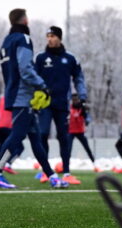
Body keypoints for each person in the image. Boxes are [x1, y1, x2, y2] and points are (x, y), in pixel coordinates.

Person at [0, 8, 66, 189]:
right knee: (17, 135)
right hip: (23, 96)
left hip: (13, 93)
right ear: (25, 21)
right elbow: (25, 68)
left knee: (35, 139)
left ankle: (52, 176)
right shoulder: (24, 39)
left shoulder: (6, 42)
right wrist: (42, 85)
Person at [34, 26, 88, 185]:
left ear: (59, 38)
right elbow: (32, 78)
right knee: (43, 134)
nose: (50, 39)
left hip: (62, 104)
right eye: (48, 36)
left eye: (52, 36)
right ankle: (46, 172)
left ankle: (66, 172)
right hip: (44, 104)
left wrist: (82, 96)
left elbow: (79, 78)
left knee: (63, 137)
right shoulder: (40, 58)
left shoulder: (70, 59)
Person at [68, 95, 99, 173]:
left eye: (76, 100)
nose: (75, 101)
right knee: (68, 149)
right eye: (73, 100)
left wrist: (87, 120)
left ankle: (94, 163)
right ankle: (66, 165)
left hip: (80, 132)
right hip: (71, 131)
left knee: (87, 148)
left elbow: (87, 117)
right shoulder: (69, 108)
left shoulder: (82, 109)